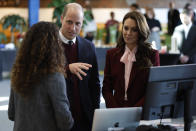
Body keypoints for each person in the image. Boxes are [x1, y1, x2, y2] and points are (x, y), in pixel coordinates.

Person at [8, 22, 74, 131]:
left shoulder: (18, 71)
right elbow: (65, 122)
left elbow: (11, 114)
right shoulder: (55, 76)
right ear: (55, 45)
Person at [102, 11, 160, 108]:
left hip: (141, 112)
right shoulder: (111, 55)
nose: (128, 33)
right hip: (116, 111)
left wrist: (135, 111)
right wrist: (114, 109)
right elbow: (106, 88)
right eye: (126, 28)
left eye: (134, 30)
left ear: (141, 31)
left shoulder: (152, 55)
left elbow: (153, 89)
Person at [59, 3, 100, 131]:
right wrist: (67, 69)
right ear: (61, 19)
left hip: (84, 117)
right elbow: (41, 75)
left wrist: (95, 113)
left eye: (78, 24)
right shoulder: (48, 44)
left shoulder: (89, 47)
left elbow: (95, 84)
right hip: (57, 117)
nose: (73, 28)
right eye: (69, 22)